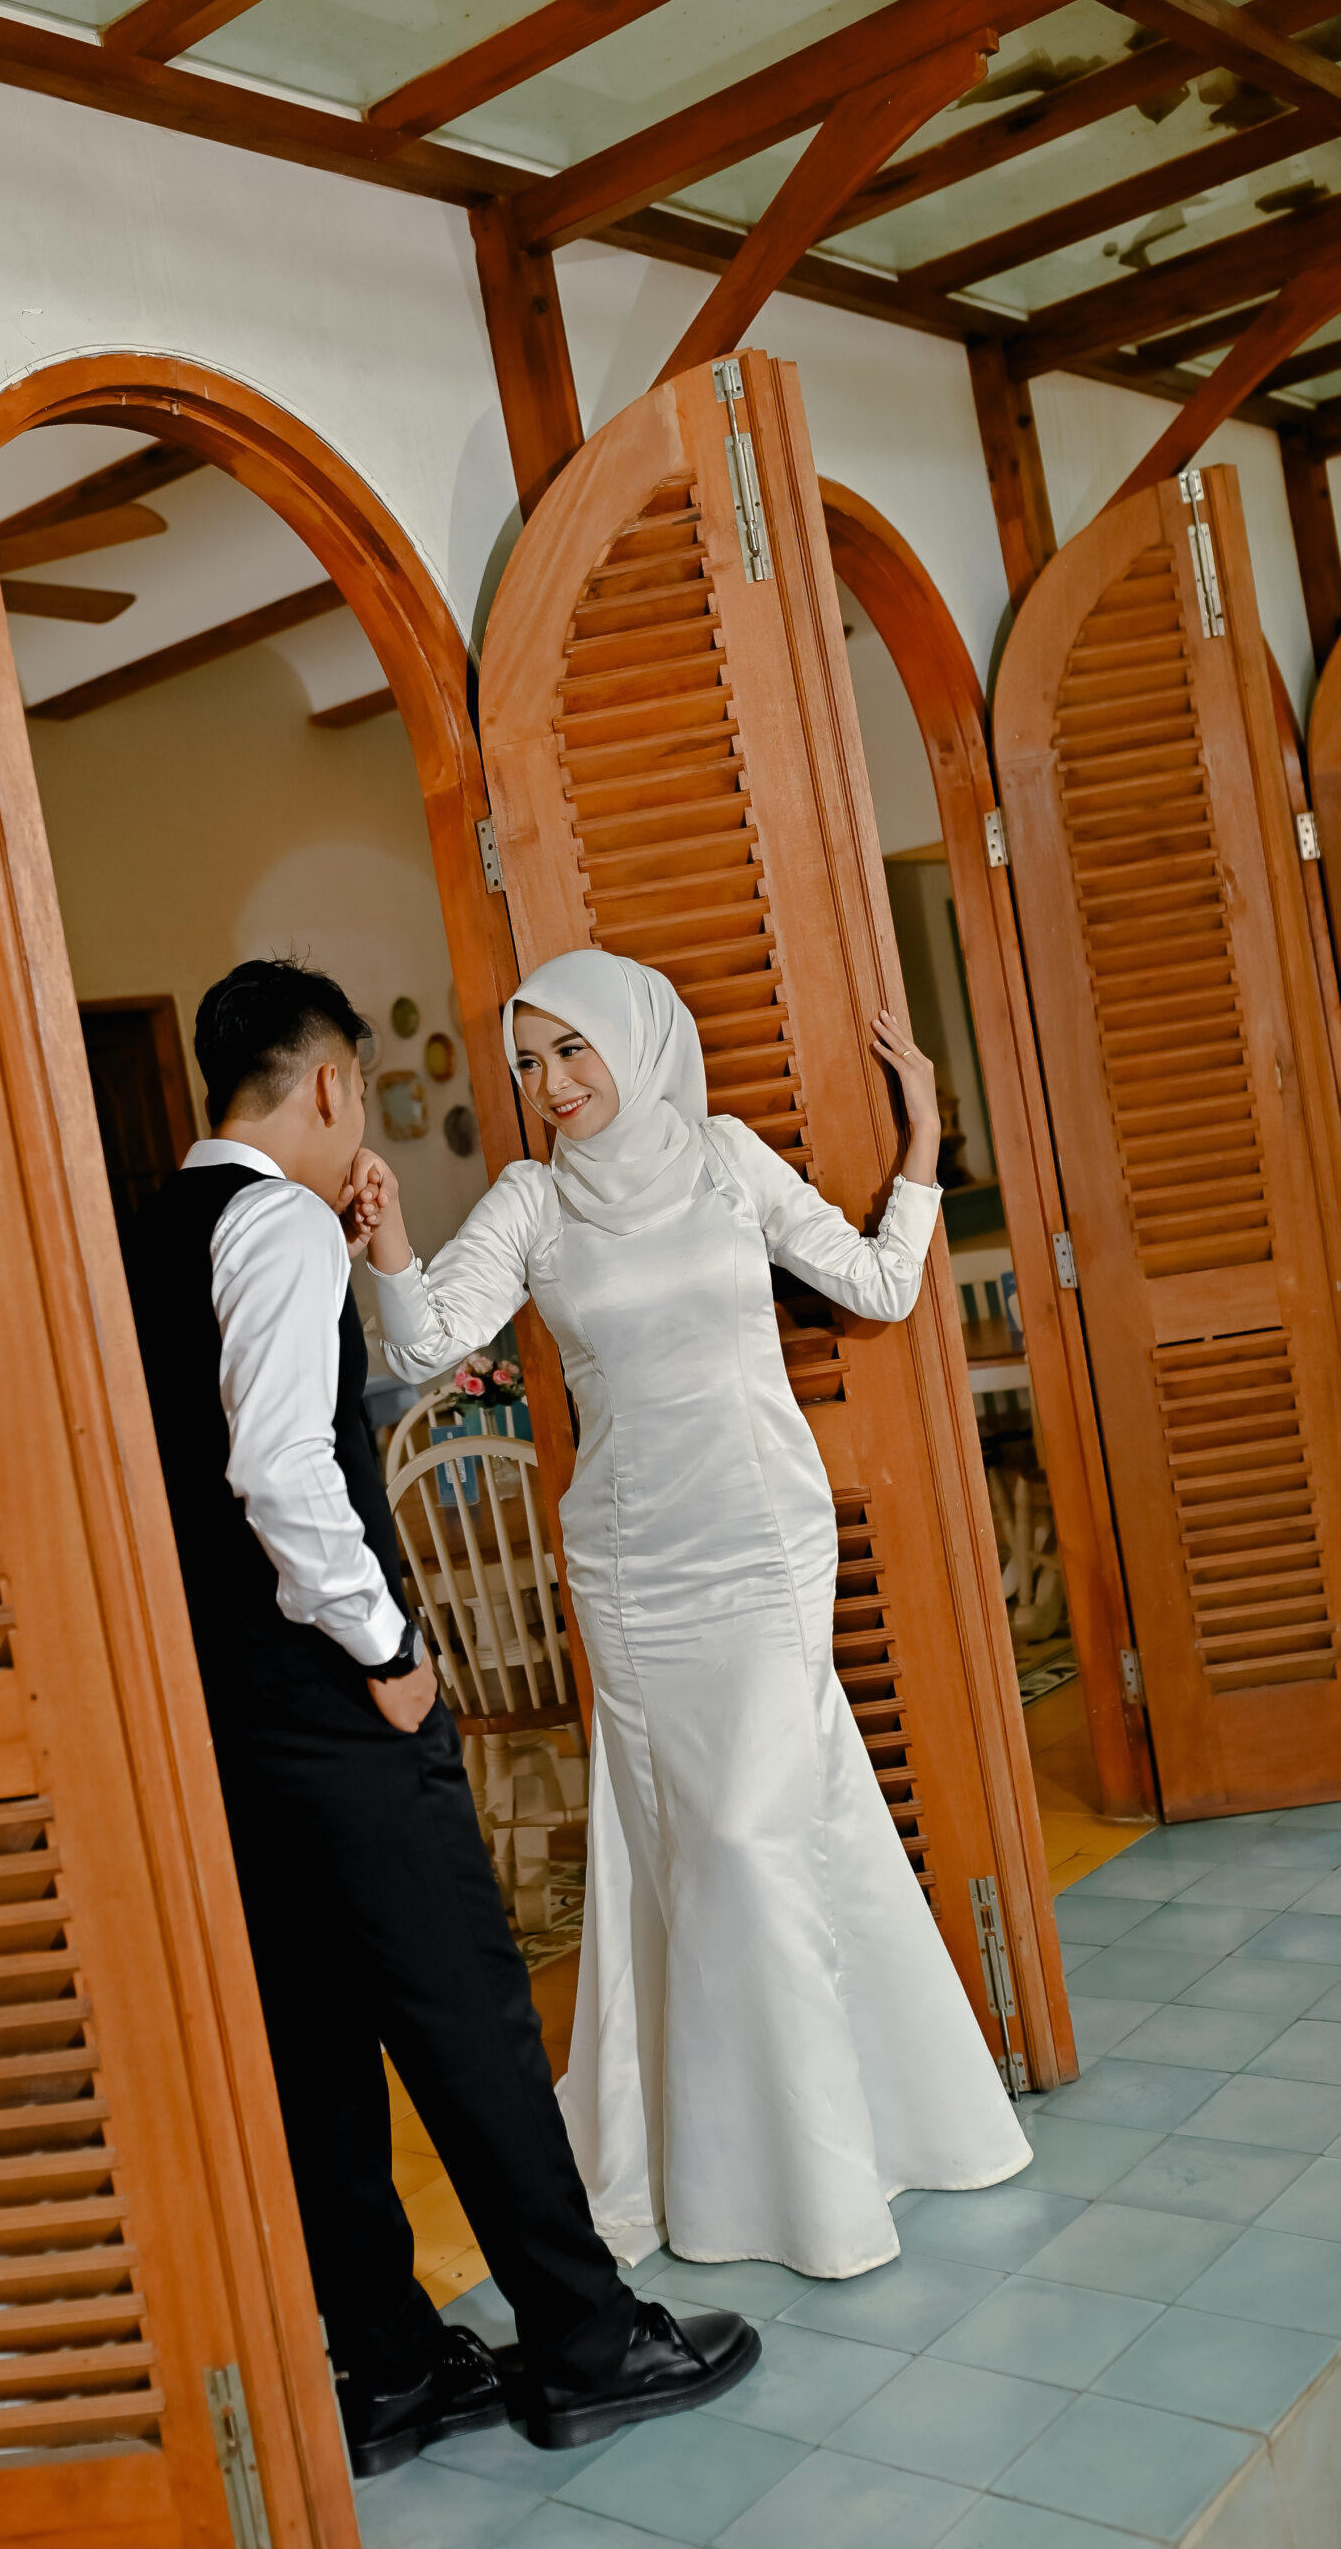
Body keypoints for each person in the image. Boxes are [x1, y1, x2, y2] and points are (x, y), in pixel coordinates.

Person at [126, 958, 758, 2479]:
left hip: (217, 1716)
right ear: (330, 1082)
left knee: (315, 2050)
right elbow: (283, 1472)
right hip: (333, 1703)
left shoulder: (145, 1227)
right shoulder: (279, 1223)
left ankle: (394, 2370)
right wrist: (390, 1644)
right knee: (469, 2016)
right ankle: (588, 2345)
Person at [356, 948, 1031, 2281]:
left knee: (756, 1836)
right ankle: (743, 2173)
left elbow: (879, 1286)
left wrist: (923, 1140)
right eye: (529, 1062)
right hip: (632, 1572)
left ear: (636, 1039)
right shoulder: (532, 1202)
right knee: (707, 1849)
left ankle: (837, 2163)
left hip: (766, 1547)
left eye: (572, 1049)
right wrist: (383, 1242)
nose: (551, 1082)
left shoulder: (727, 1160)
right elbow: (425, 1343)